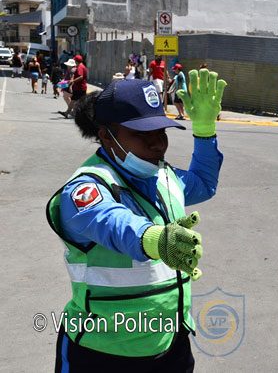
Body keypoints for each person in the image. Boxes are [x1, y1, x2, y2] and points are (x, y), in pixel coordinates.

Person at [48, 71, 226, 371]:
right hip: (102, 352)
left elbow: (204, 184)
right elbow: (112, 223)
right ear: (107, 135)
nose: (157, 144)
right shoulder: (87, 187)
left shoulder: (163, 175)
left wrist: (205, 132)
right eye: (142, 134)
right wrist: (156, 239)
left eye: (161, 131)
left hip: (170, 343)